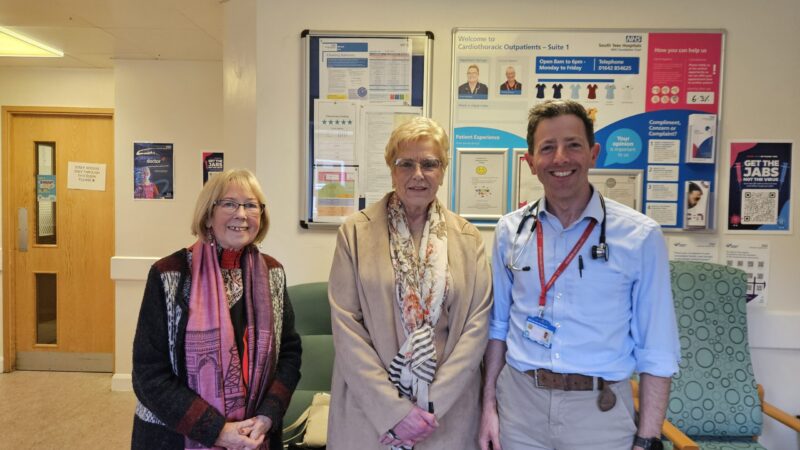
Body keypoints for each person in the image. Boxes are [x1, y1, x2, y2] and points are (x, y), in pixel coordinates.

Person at [480, 100, 680, 450]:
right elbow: (497, 328)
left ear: (593, 153)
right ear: (530, 162)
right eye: (547, 148)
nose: (561, 158)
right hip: (520, 408)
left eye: (573, 145)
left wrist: (647, 439)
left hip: (599, 415)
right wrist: (488, 408)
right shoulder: (509, 232)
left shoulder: (640, 237)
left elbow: (657, 350)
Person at [328, 116, 492, 449]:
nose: (418, 174)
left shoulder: (469, 238)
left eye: (429, 164)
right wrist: (395, 412)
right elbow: (347, 329)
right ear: (391, 168)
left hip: (445, 416)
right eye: (406, 164)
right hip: (372, 415)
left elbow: (477, 330)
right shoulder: (355, 233)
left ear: (443, 170)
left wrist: (429, 407)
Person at [131, 169, 302, 450]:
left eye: (251, 205)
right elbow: (148, 373)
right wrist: (216, 430)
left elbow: (289, 354)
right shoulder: (168, 274)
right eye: (229, 204)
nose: (242, 214)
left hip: (256, 437)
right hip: (174, 437)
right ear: (208, 215)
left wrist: (268, 415)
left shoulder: (273, 273)